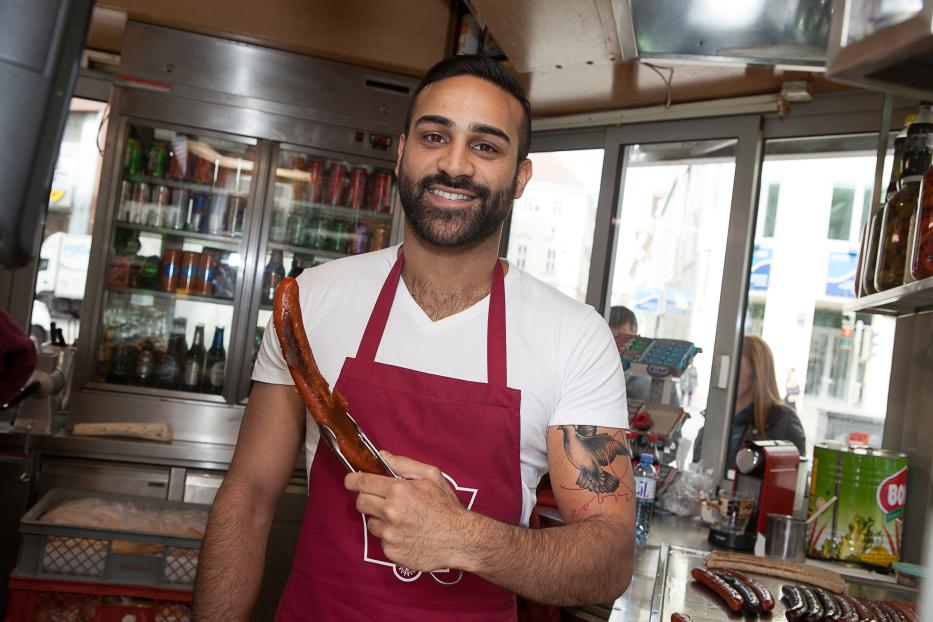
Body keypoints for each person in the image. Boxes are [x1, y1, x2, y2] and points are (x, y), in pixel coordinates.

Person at [194, 55, 634, 621]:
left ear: (520, 178)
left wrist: (465, 538)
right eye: (435, 135)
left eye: (486, 147)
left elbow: (610, 560)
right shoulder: (311, 302)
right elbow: (248, 499)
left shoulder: (574, 337)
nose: (454, 165)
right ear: (401, 151)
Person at [693, 335, 806, 467]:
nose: (728, 377)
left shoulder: (781, 420)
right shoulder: (719, 417)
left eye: (736, 370)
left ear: (756, 375)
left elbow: (794, 479)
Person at [607, 305, 652, 404]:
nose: (617, 347)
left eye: (623, 340)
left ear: (637, 339)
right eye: (610, 340)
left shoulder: (652, 380)